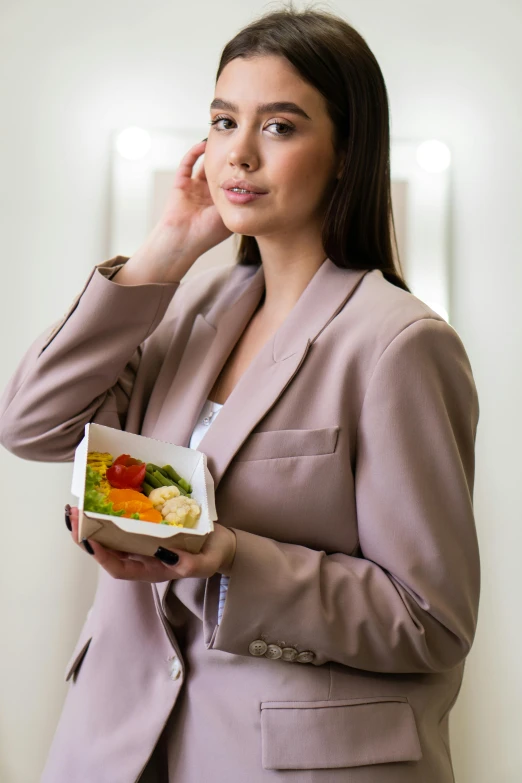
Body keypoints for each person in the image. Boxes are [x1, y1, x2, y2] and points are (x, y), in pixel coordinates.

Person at [0, 4, 480, 782]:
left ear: (347, 155)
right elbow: (28, 422)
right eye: (224, 122)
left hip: (283, 763)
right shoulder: (188, 310)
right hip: (117, 747)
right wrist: (168, 249)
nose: (240, 154)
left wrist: (228, 559)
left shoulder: (400, 342)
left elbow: (431, 621)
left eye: (281, 127)